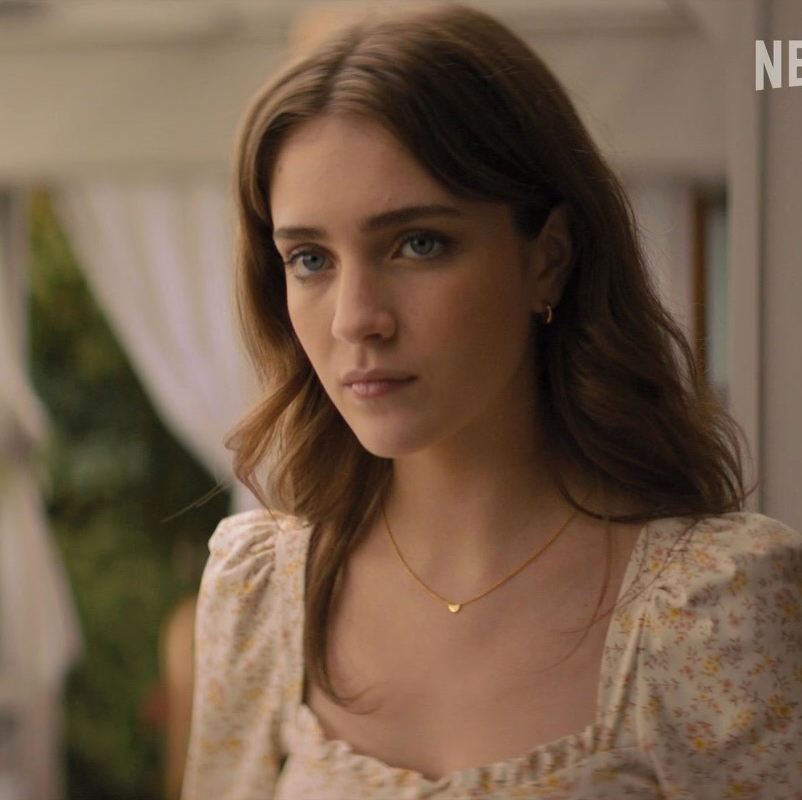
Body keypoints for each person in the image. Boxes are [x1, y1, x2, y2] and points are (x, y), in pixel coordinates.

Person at [182, 4, 802, 799]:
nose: (354, 319)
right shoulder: (259, 595)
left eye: (417, 243)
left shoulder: (709, 611)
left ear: (547, 259)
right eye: (309, 258)